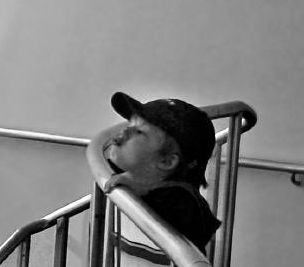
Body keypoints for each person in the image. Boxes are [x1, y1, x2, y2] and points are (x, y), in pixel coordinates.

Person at [95, 92, 221, 250]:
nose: (124, 132)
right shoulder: (134, 175)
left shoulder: (183, 201)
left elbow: (185, 218)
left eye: (139, 132)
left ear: (167, 161)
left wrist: (143, 186)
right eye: (129, 125)